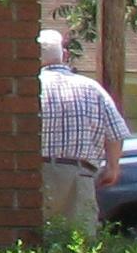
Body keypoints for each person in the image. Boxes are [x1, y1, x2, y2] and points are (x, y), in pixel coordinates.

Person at [37, 27, 130, 239]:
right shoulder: (91, 88)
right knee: (79, 243)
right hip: (80, 174)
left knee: (36, 242)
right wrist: (113, 167)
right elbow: (115, 132)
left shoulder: (31, 87)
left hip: (37, 174)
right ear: (65, 56)